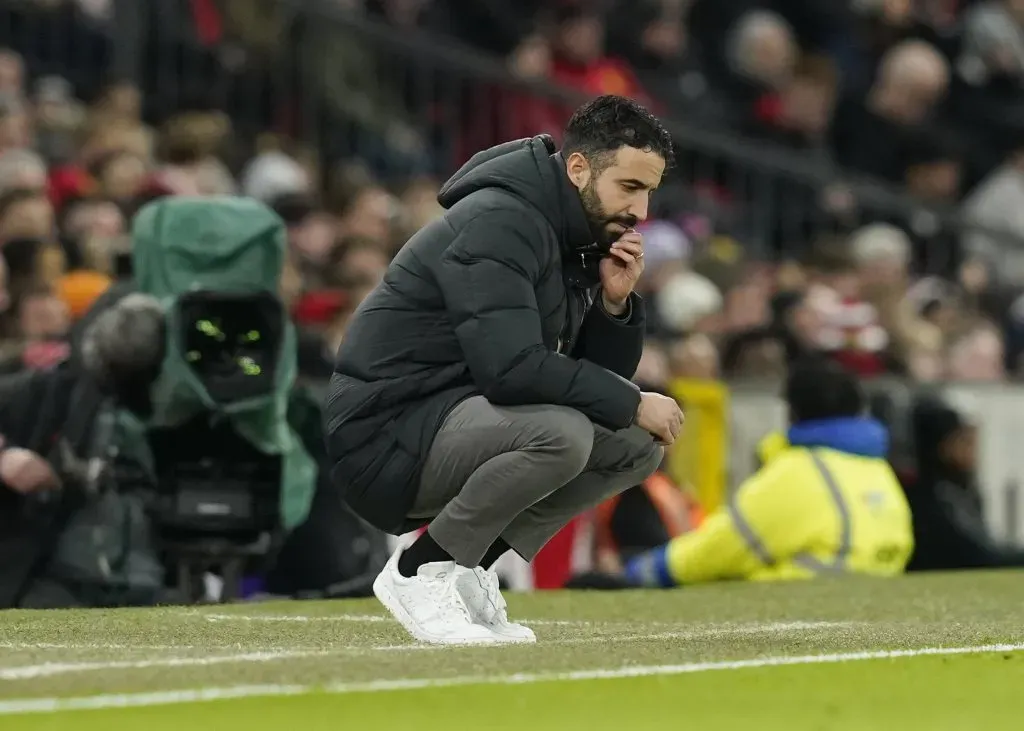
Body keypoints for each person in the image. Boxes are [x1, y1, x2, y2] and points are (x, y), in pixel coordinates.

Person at [325, 95, 681, 645]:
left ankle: (469, 567)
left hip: (457, 421)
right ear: (579, 168)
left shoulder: (574, 237)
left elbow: (585, 385)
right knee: (563, 434)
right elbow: (510, 370)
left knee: (633, 445)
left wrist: (613, 306)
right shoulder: (499, 220)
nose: (641, 211)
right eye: (630, 187)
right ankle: (418, 570)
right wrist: (634, 400)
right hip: (386, 436)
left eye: (649, 192)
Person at [623, 359, 914, 587]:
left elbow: (723, 547)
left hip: (810, 590)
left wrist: (646, 570)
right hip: (877, 583)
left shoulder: (797, 471)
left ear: (791, 411)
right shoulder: (875, 467)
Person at [905, 395, 1024, 571]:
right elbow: (980, 555)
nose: (972, 450)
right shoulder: (935, 499)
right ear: (942, 446)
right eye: (964, 441)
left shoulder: (960, 489)